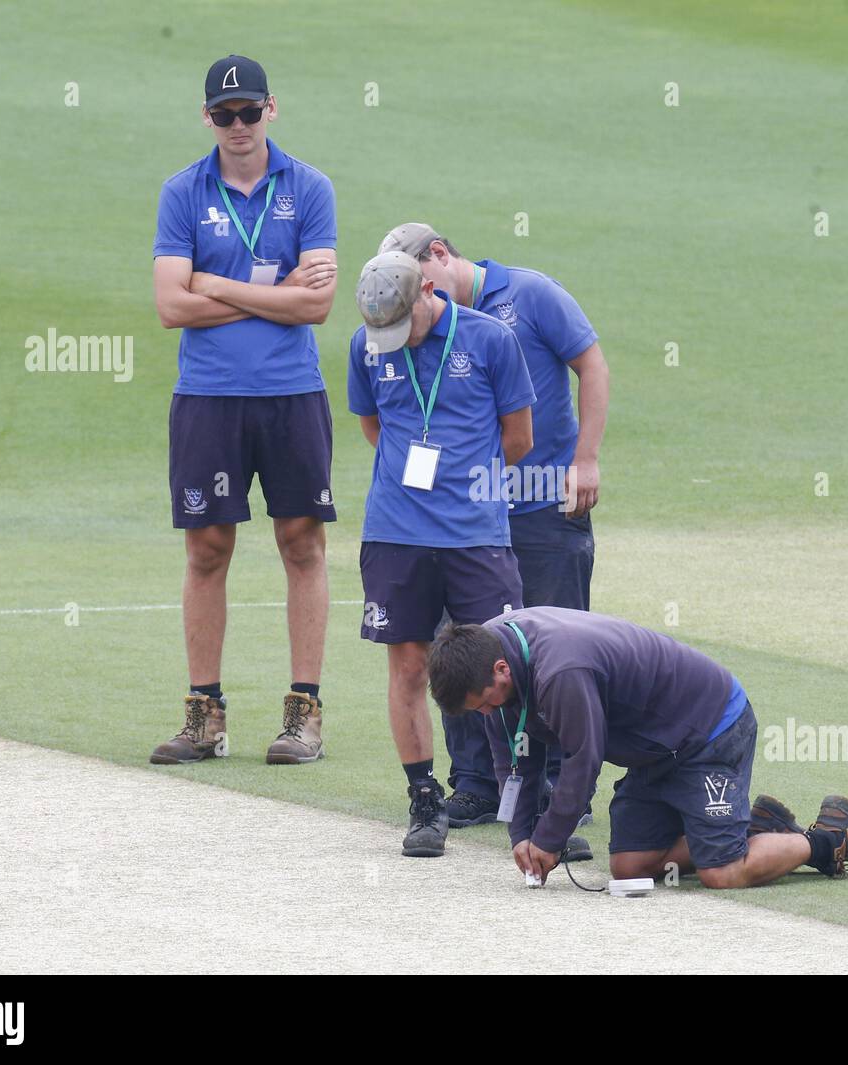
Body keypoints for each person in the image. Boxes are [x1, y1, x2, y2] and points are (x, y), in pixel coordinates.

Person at [376, 224, 610, 828]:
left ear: (440, 256)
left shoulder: (530, 295)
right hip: (465, 519)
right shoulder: (415, 326)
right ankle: (477, 783)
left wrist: (585, 458)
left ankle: (559, 786)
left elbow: (593, 366)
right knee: (463, 647)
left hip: (541, 503)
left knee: (552, 650)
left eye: (419, 282)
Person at [149, 55, 339, 767]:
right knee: (207, 548)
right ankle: (204, 713)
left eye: (249, 112)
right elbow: (170, 307)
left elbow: (317, 304)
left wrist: (215, 285)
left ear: (271, 110)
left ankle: (304, 712)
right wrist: (274, 291)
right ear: (207, 118)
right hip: (208, 397)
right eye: (224, 114)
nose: (238, 125)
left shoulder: (310, 187)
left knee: (302, 542)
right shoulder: (182, 191)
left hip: (291, 392)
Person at [427, 607, 848, 886]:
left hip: (710, 731)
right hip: (656, 753)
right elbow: (517, 764)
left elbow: (584, 761)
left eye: (485, 704)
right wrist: (523, 839)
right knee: (630, 868)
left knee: (723, 872)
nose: (487, 714)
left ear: (501, 671)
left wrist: (548, 841)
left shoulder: (560, 671)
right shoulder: (485, 657)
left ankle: (832, 839)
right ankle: (755, 825)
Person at [347, 250, 534, 857]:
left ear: (428, 287)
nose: (393, 340)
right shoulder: (367, 342)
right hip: (395, 533)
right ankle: (425, 800)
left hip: (475, 535)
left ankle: (526, 802)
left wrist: (463, 488)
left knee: (506, 665)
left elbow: (519, 437)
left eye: (404, 322)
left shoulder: (491, 340)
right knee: (407, 667)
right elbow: (375, 426)